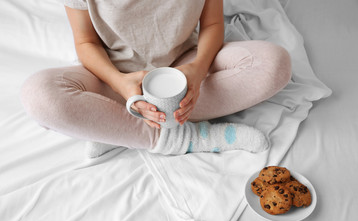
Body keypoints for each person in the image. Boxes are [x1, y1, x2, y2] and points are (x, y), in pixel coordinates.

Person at [21, 0, 291, 157]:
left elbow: (212, 25)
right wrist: (120, 82)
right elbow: (85, 43)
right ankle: (184, 139)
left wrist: (197, 71)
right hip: (115, 77)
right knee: (38, 95)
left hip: (184, 68)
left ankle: (116, 128)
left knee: (274, 64)